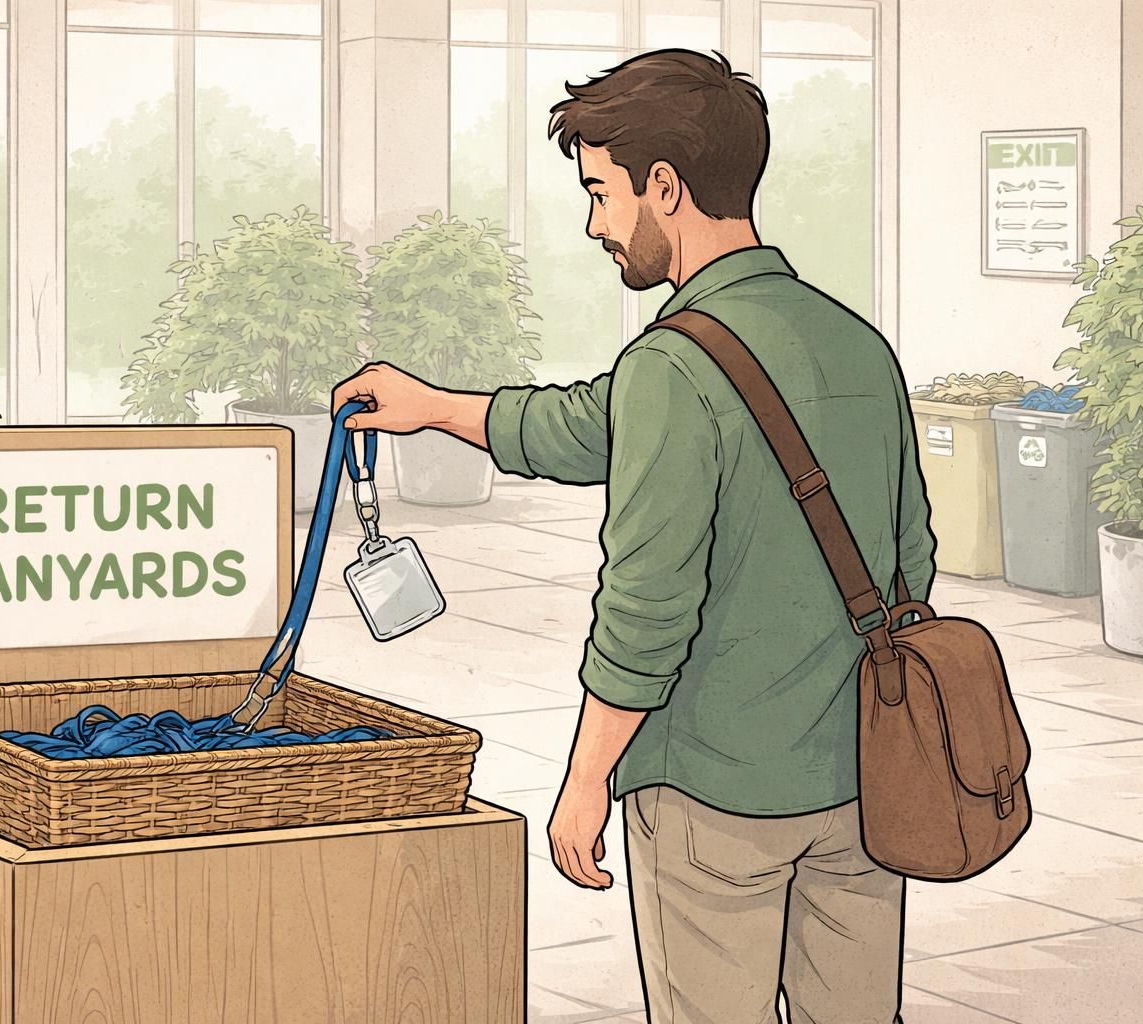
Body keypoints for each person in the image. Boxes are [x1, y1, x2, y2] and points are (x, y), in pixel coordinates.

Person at [331, 47, 935, 1024]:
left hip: (712, 797)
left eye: (602, 193)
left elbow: (646, 613)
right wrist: (438, 407)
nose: (596, 224)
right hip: (863, 782)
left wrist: (586, 778)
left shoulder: (674, 365)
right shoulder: (854, 343)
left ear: (666, 186)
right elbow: (913, 558)